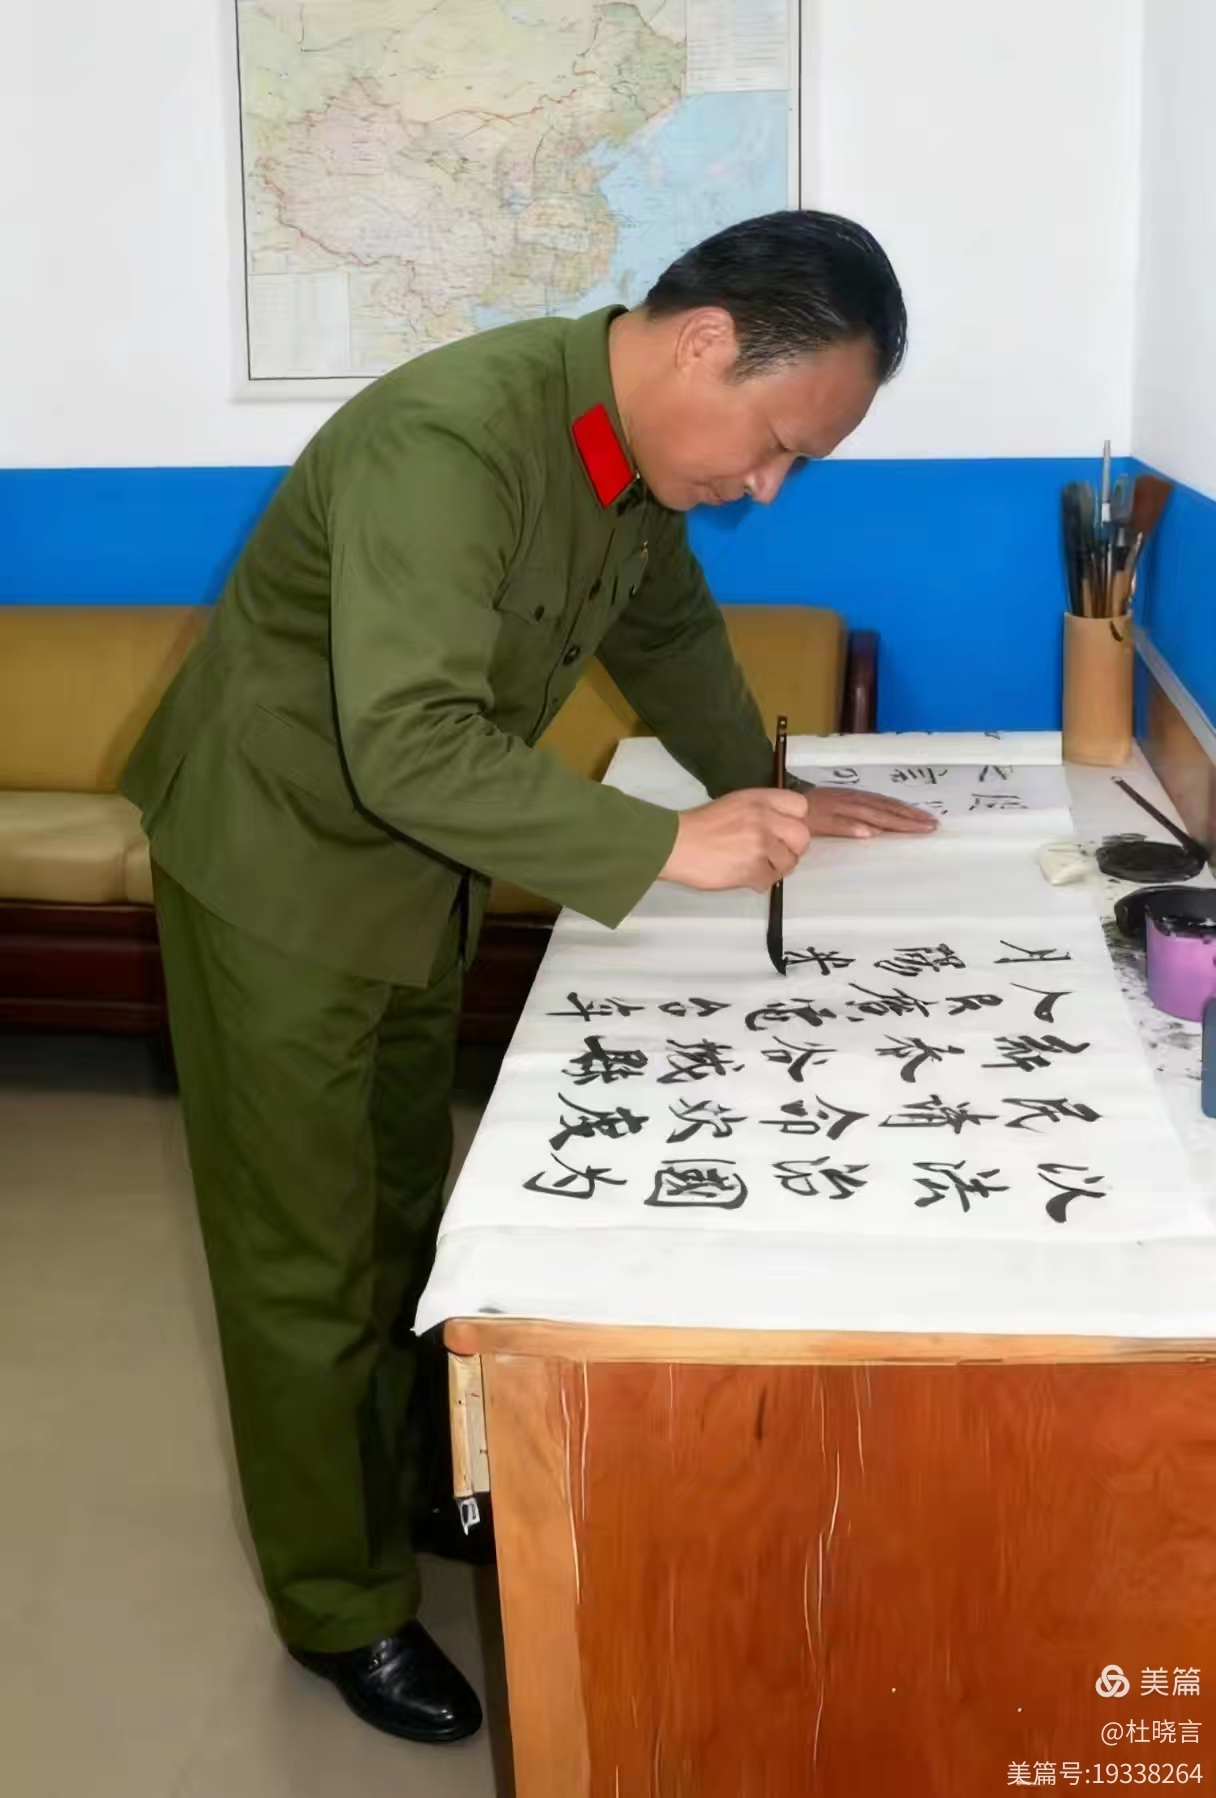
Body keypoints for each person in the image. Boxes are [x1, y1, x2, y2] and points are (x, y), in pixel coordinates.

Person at [122, 209, 934, 1746]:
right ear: (707, 344)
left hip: (417, 865)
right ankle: (339, 1603)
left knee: (403, 1209)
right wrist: (670, 843)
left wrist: (770, 784)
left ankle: (416, 1483)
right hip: (281, 865)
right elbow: (409, 741)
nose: (767, 486)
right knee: (303, 1257)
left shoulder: (622, 457)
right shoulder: (456, 441)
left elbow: (669, 629)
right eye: (776, 444)